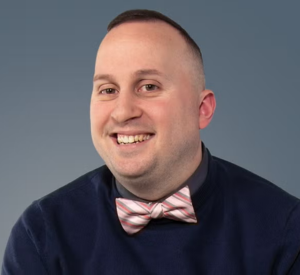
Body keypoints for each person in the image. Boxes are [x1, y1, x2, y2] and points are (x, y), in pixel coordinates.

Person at [2, 9, 300, 275]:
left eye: (148, 86)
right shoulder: (42, 233)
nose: (123, 111)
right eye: (107, 90)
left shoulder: (286, 230)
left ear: (202, 110)